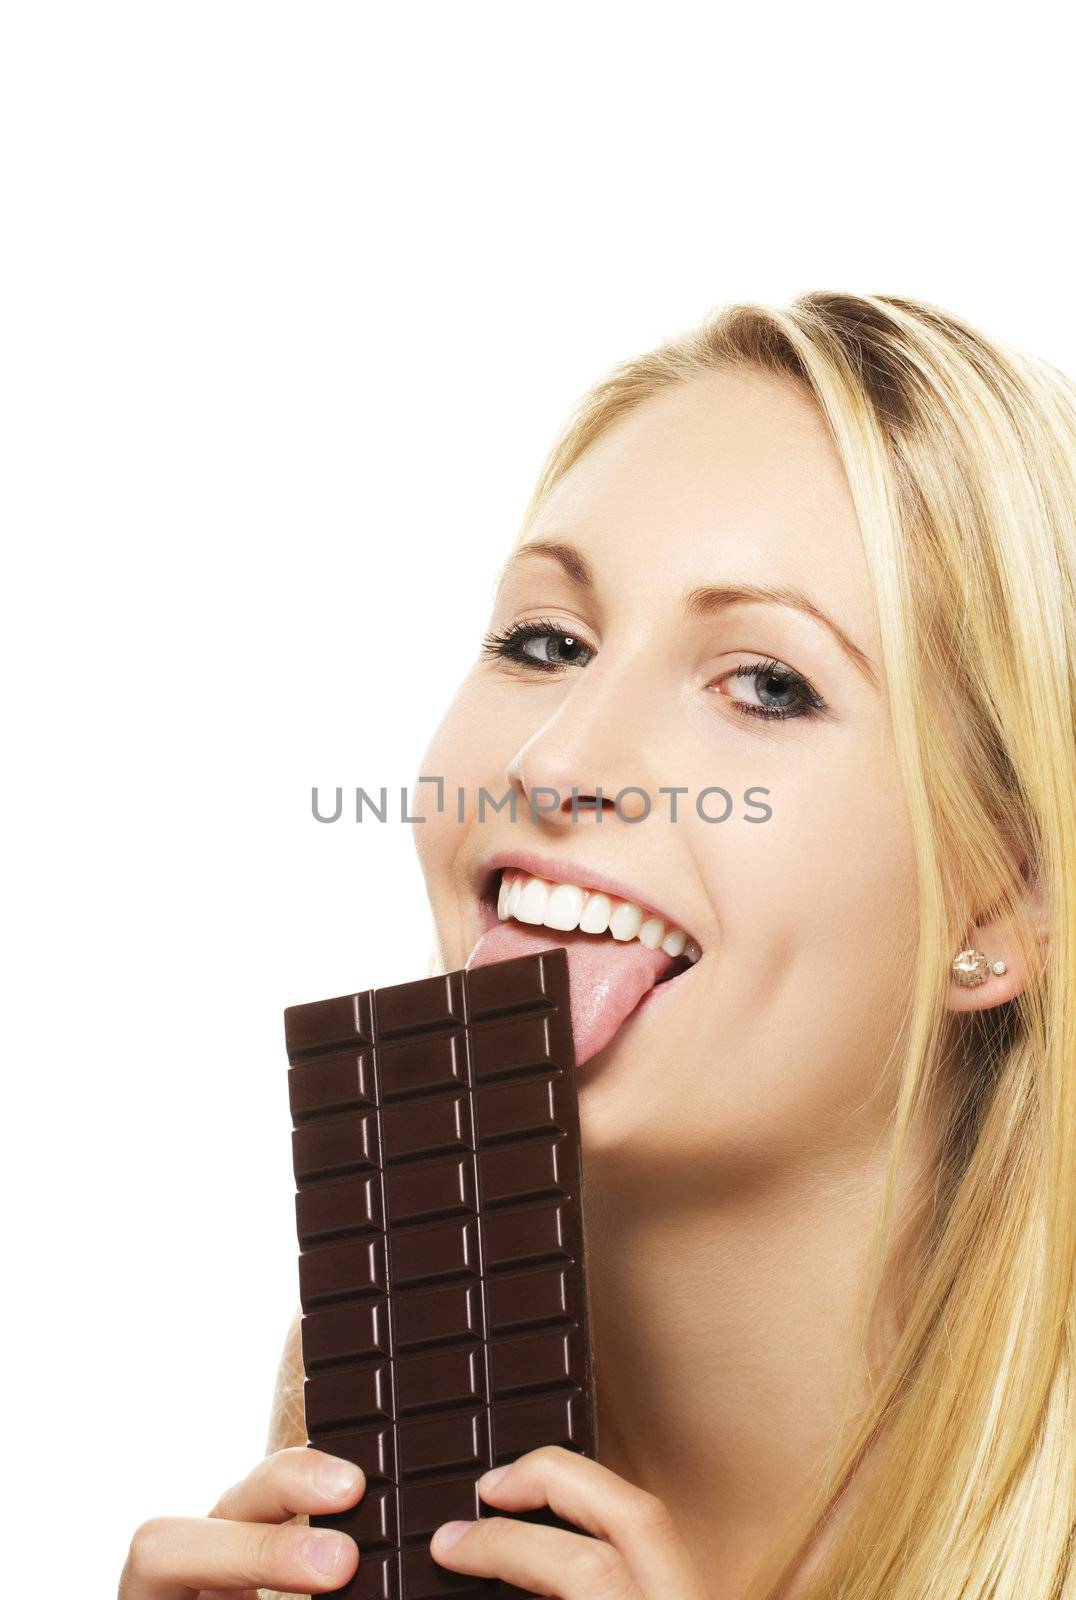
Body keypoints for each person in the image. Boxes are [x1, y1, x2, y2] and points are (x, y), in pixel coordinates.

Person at [119, 291, 1075, 1600]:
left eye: (767, 684)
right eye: (545, 642)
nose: (554, 759)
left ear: (1003, 902)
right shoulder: (353, 1465)